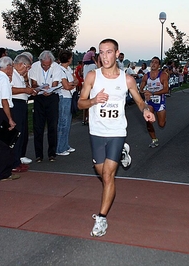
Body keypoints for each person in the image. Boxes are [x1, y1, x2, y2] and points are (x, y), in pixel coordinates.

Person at [78, 38, 155, 237]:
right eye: (101, 52)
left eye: (109, 52)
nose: (104, 56)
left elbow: (138, 101)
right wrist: (94, 100)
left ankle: (102, 217)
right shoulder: (92, 77)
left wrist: (145, 110)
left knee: (107, 176)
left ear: (117, 53)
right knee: (100, 170)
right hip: (96, 132)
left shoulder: (126, 79)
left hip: (117, 132)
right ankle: (121, 153)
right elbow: (80, 104)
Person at [0, 56, 20, 181]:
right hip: (3, 111)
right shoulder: (4, 80)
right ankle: (5, 172)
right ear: (8, 67)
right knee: (6, 144)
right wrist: (10, 119)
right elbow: (4, 100)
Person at [29, 51, 62, 162]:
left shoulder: (56, 67)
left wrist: (50, 90)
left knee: (52, 126)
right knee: (38, 126)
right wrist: (41, 88)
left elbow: (55, 83)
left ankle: (52, 153)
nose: (46, 67)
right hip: (39, 97)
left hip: (52, 98)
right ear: (40, 61)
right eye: (44, 65)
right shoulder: (35, 66)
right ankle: (39, 155)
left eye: (48, 65)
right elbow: (33, 83)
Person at [10, 54, 35, 173]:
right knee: (16, 134)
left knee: (22, 134)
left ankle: (17, 159)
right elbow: (10, 90)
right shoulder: (11, 74)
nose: (27, 70)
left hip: (23, 103)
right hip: (15, 104)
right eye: (27, 67)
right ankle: (13, 162)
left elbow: (26, 88)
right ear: (21, 64)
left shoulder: (20, 75)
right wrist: (25, 90)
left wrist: (26, 81)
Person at [139, 56, 169, 148]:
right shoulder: (146, 76)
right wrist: (145, 93)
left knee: (161, 124)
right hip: (149, 102)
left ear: (159, 65)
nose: (153, 64)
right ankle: (154, 139)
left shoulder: (163, 75)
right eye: (152, 62)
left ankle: (162, 118)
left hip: (160, 102)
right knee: (148, 121)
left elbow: (166, 90)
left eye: (156, 62)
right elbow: (140, 89)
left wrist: (153, 93)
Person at [56, 50, 78, 156]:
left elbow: (76, 81)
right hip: (64, 97)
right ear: (68, 59)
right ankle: (60, 147)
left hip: (69, 96)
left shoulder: (68, 69)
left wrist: (71, 84)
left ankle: (65, 145)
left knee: (68, 122)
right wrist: (72, 84)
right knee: (63, 123)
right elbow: (66, 86)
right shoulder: (60, 70)